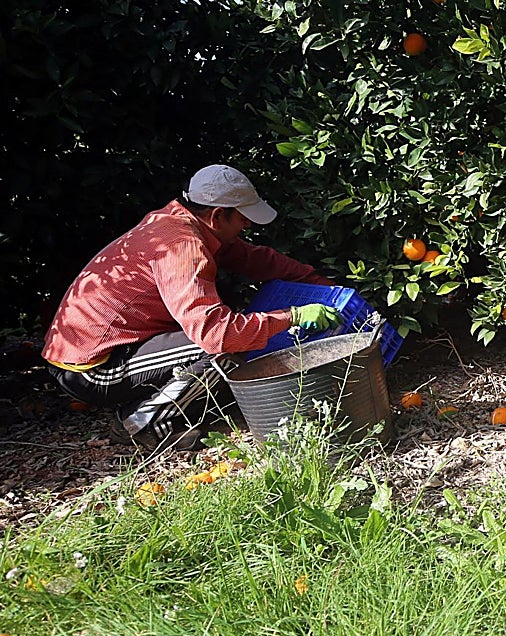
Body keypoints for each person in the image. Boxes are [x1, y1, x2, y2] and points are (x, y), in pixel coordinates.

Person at [41, 164, 342, 450]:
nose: (248, 224)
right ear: (217, 216)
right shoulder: (181, 246)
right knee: (225, 348)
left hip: (106, 350)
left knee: (233, 332)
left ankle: (145, 405)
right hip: (92, 369)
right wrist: (293, 316)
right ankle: (141, 423)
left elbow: (258, 260)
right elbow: (216, 334)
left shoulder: (183, 222)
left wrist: (326, 287)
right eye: (242, 218)